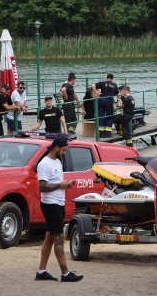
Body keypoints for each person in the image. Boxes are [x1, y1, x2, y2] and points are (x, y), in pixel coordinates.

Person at [35, 135, 83, 282]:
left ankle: (41, 271)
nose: (64, 153)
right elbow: (42, 187)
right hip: (51, 204)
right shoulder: (44, 164)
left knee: (49, 237)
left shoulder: (57, 161)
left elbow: (55, 183)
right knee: (59, 237)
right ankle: (65, 273)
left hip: (58, 203)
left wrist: (66, 184)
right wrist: (60, 185)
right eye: (63, 150)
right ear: (56, 147)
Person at [91, 73, 119, 137]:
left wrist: (96, 92)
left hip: (101, 100)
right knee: (109, 116)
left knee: (101, 116)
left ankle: (101, 133)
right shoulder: (114, 85)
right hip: (109, 100)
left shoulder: (102, 83)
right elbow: (117, 93)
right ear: (112, 79)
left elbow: (92, 85)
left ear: (107, 78)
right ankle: (108, 133)